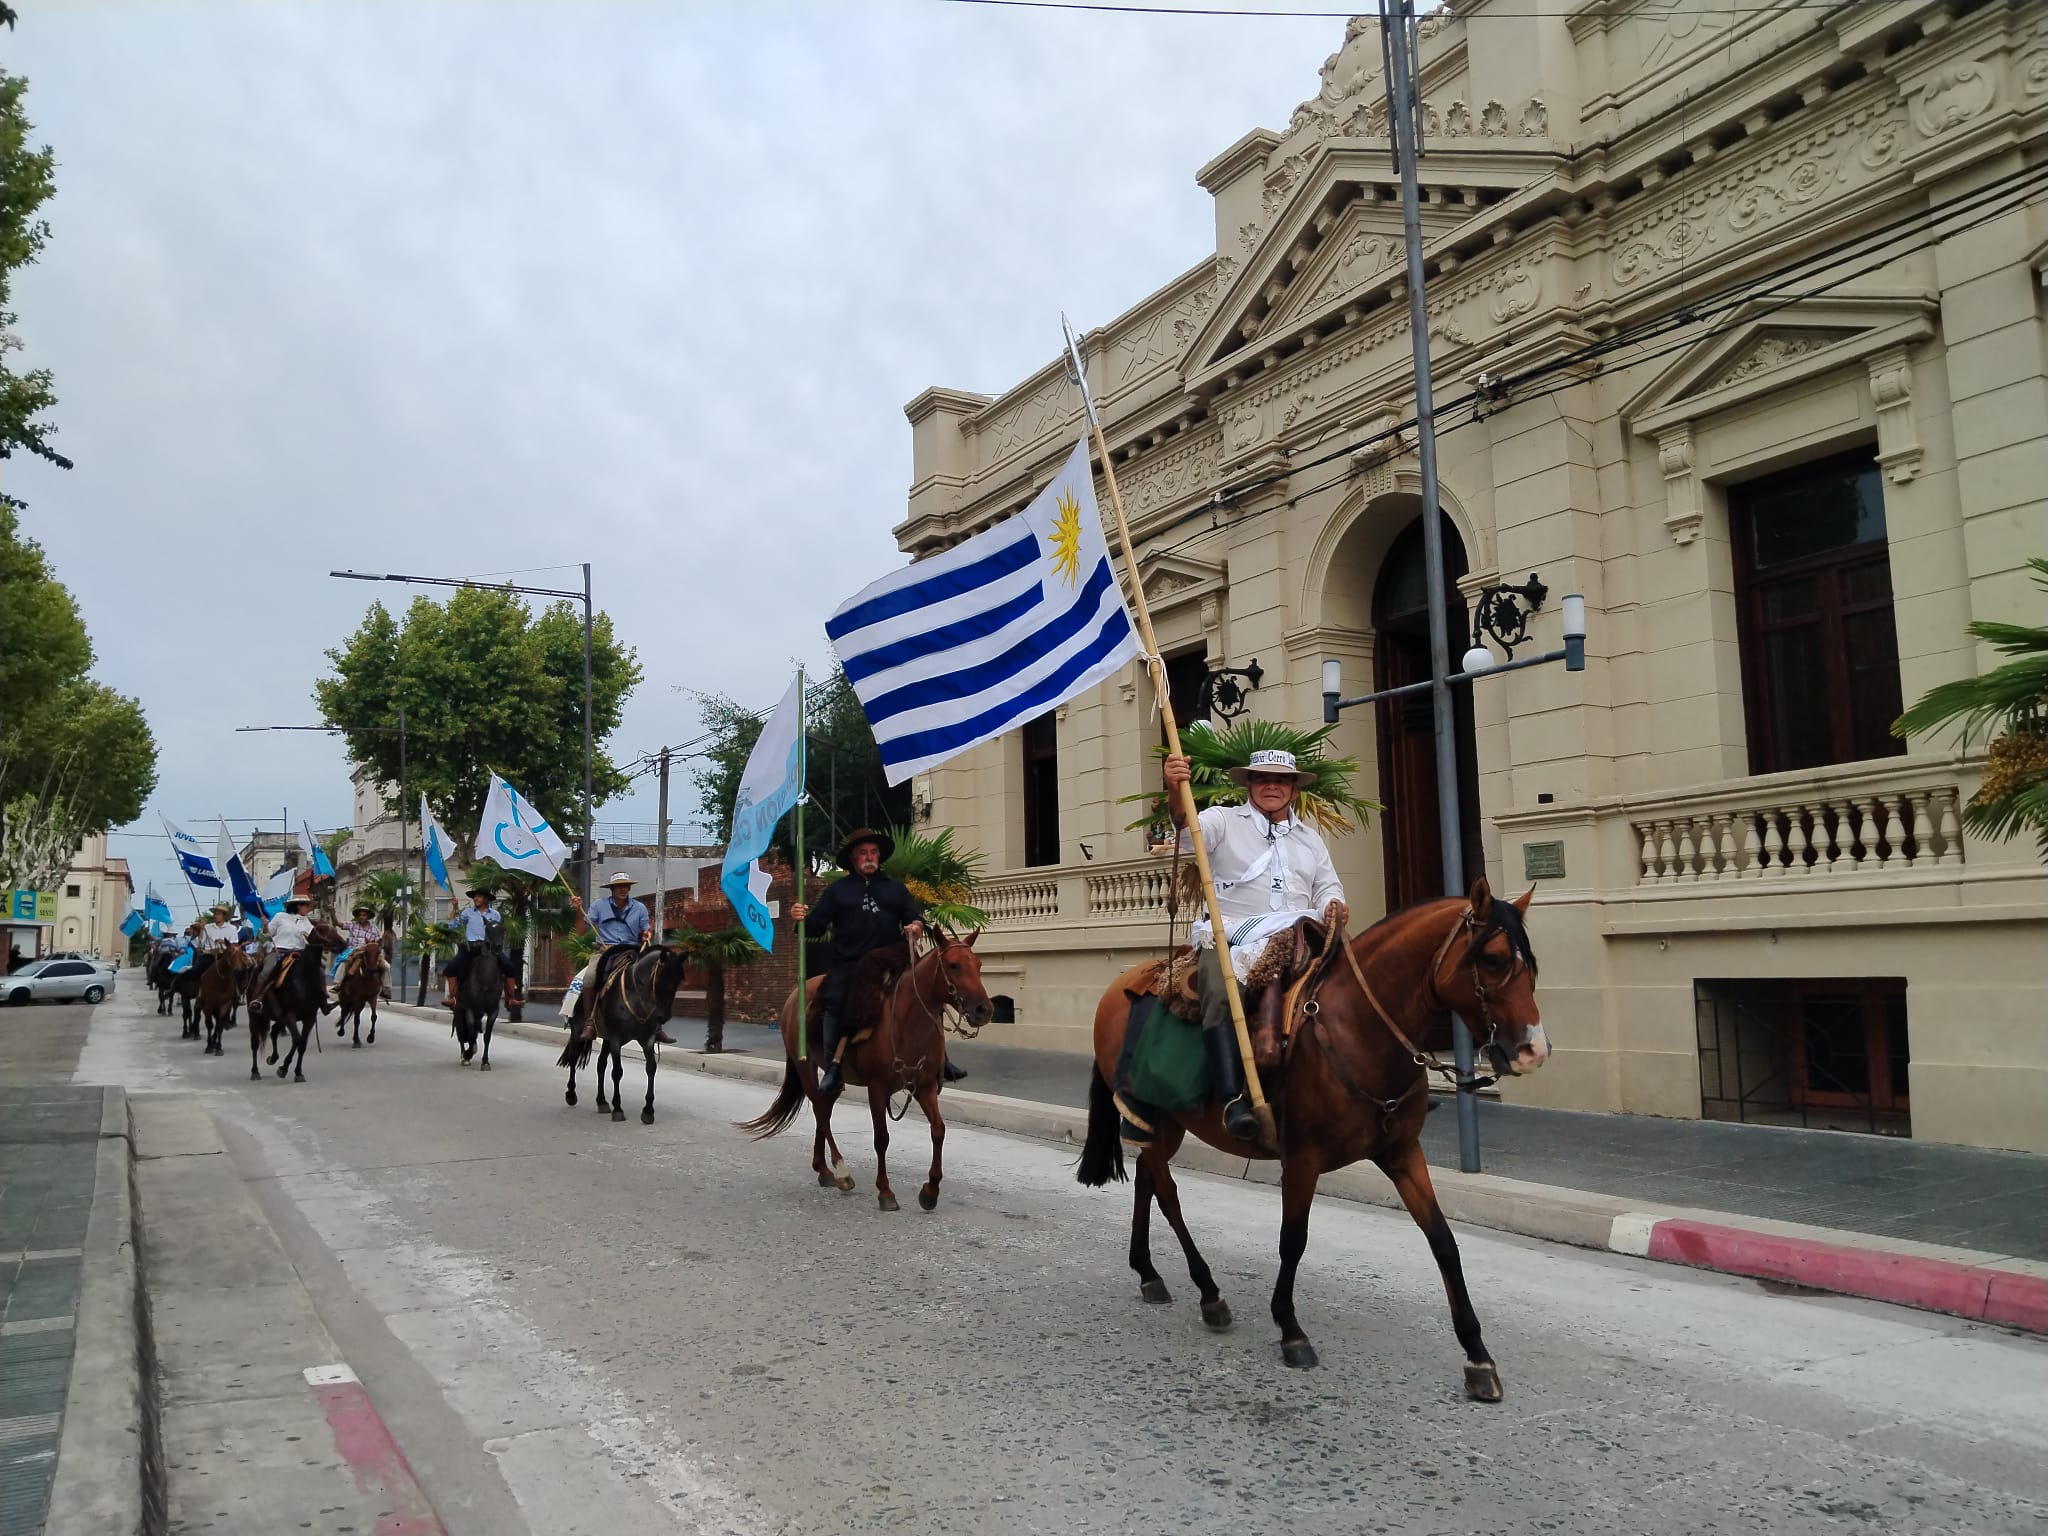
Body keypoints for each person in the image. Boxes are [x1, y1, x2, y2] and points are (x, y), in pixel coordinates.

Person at [1163, 747, 1347, 1145]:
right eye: (1263, 779)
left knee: (1356, 985)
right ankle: (1232, 1099)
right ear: (1249, 784)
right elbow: (1185, 830)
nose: (1271, 786)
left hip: (1297, 935)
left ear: (1294, 789)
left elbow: (1326, 887)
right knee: (1217, 990)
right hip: (1230, 934)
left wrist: (1333, 904)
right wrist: (1176, 788)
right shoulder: (1223, 821)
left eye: (1281, 780)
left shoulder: (1310, 839)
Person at [789, 829, 924, 1096]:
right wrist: (800, 917)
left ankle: (940, 1058)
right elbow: (815, 926)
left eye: (873, 852)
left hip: (891, 958)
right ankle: (833, 1068)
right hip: (851, 962)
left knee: (926, 990)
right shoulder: (836, 891)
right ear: (853, 858)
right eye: (863, 853)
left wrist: (916, 925)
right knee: (834, 1000)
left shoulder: (895, 887)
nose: (869, 857)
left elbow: (913, 915)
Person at [565, 873, 673, 1045]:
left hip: (632, 951)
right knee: (589, 977)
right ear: (612, 889)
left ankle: (657, 1026)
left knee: (655, 977)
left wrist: (646, 934)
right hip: (606, 951)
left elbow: (645, 929)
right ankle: (590, 1022)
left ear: (629, 888)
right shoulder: (599, 905)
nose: (623, 889)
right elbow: (581, 931)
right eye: (619, 886)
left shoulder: (639, 908)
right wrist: (578, 911)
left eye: (626, 886)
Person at [251, 893, 328, 1013]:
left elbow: (311, 939)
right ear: (299, 906)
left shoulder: (307, 922)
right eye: (307, 906)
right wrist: (265, 926)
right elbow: (268, 934)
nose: (309, 908)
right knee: (267, 971)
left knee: (320, 971)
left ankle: (323, 1001)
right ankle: (257, 998)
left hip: (299, 953)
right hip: (279, 951)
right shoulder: (280, 917)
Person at [441, 887, 508, 1009]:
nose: (476, 899)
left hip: (490, 948)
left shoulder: (495, 914)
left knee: (508, 966)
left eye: (479, 897)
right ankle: (452, 997)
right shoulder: (467, 913)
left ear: (486, 899)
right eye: (475, 897)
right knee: (451, 968)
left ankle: (511, 998)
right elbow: (452, 926)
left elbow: (498, 931)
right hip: (471, 947)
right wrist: (454, 908)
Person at [332, 903, 388, 991]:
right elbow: (337, 923)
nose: (362, 917)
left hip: (369, 951)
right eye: (360, 915)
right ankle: (338, 984)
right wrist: (332, 912)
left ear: (368, 917)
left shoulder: (374, 929)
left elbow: (377, 944)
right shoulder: (352, 925)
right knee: (343, 962)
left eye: (364, 915)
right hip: (354, 950)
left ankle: (386, 988)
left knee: (386, 966)